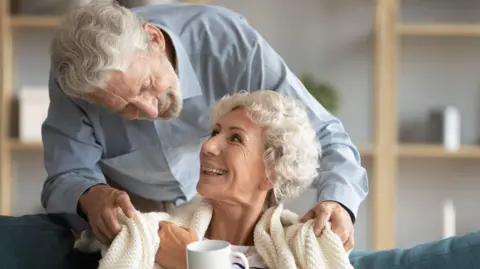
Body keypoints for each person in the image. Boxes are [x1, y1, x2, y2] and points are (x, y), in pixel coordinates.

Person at [40, 0, 368, 252]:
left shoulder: (227, 42)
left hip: (224, 196)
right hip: (132, 202)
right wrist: (90, 195)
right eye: (123, 108)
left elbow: (322, 132)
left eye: (145, 86)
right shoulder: (74, 85)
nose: (149, 109)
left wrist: (338, 201)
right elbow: (66, 175)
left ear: (153, 38)